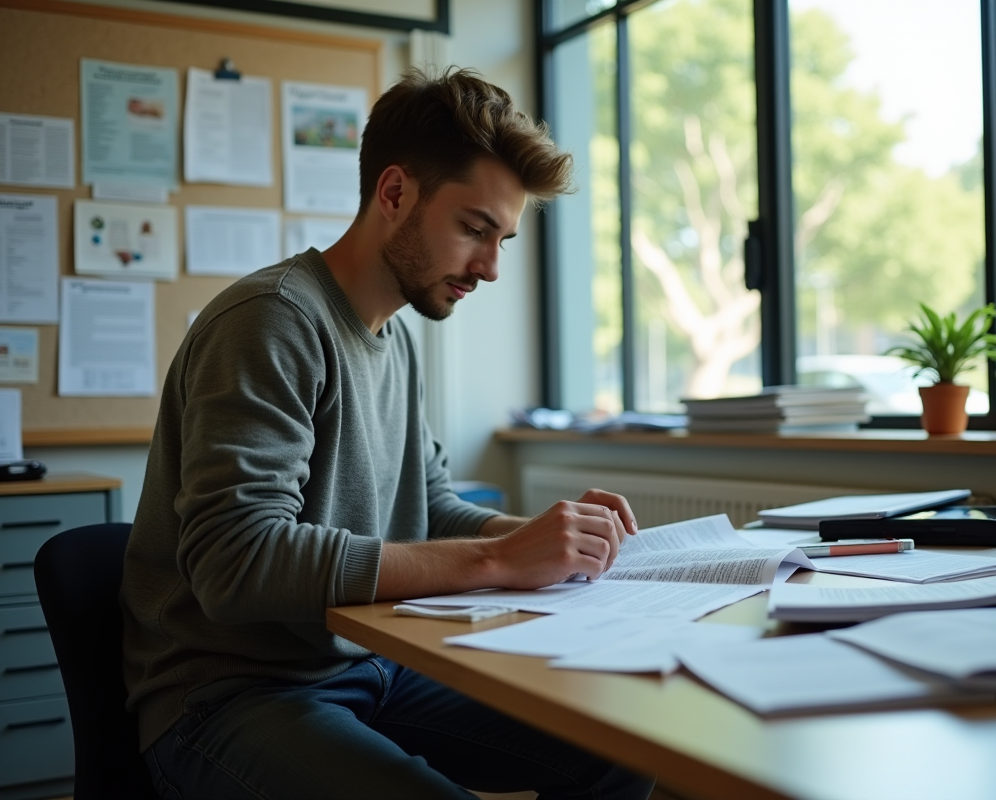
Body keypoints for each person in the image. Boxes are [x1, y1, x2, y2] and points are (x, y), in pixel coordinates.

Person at [120, 67, 655, 800]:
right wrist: (497, 557)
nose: (492, 268)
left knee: (617, 743)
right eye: (474, 229)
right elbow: (234, 563)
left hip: (370, 667)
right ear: (395, 193)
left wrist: (557, 542)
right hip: (228, 696)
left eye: (502, 239)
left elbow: (426, 507)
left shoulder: (395, 338)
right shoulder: (271, 320)